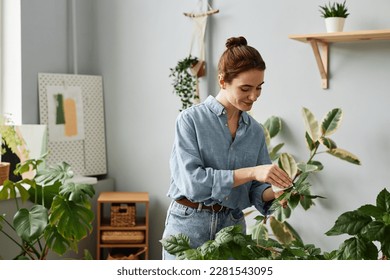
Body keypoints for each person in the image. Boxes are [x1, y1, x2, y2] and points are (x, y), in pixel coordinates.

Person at [161, 36, 292, 260]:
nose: (254, 96)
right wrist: (252, 171)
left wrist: (277, 191)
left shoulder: (255, 131)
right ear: (223, 81)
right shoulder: (190, 120)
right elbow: (192, 183)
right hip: (188, 224)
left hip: (231, 228)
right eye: (245, 88)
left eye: (259, 88)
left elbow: (255, 191)